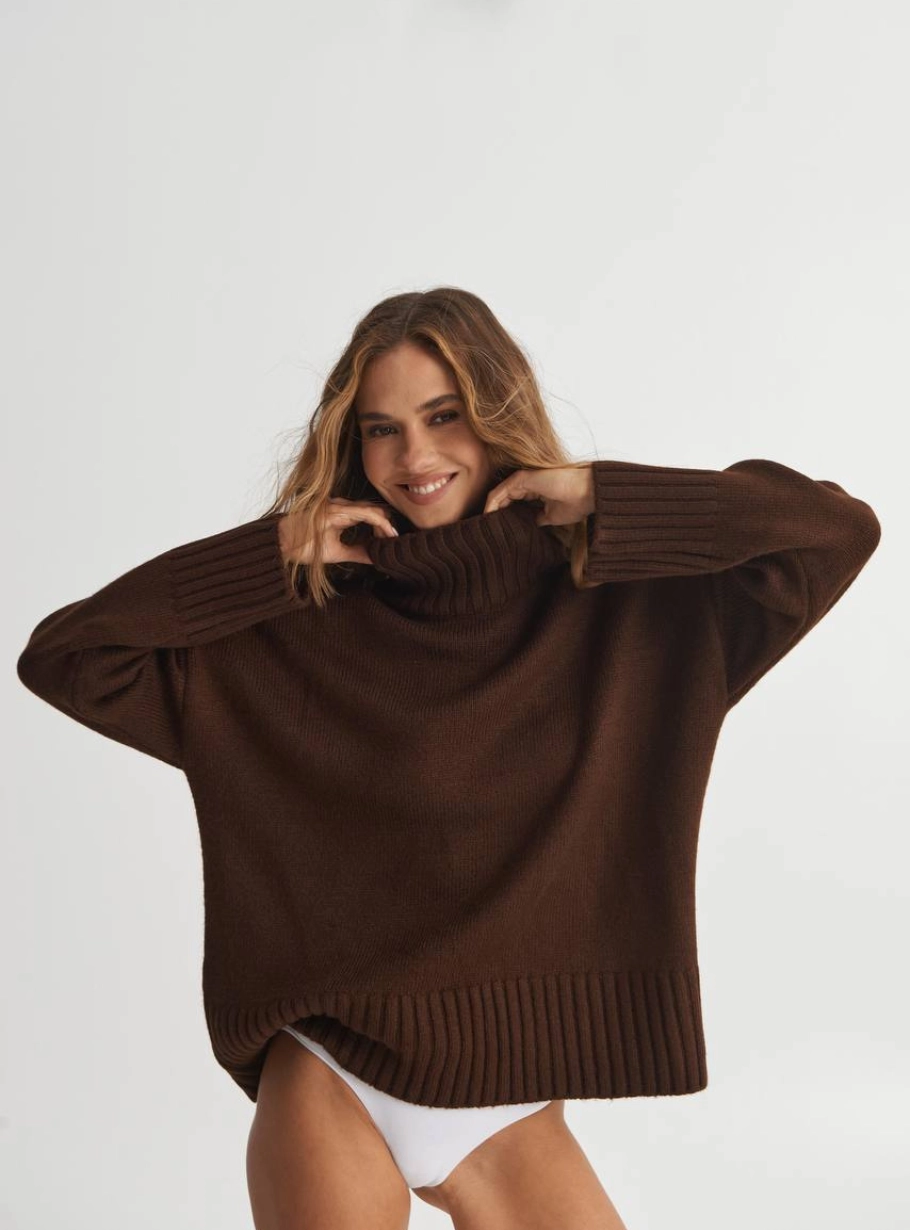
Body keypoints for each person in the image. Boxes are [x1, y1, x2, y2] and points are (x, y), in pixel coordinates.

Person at [17, 287, 881, 1230]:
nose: (415, 458)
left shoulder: (633, 610)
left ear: (497, 413)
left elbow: (834, 533)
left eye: (444, 416)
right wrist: (272, 556)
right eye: (381, 430)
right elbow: (69, 656)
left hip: (510, 1104)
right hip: (334, 1071)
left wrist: (604, 495)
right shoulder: (292, 629)